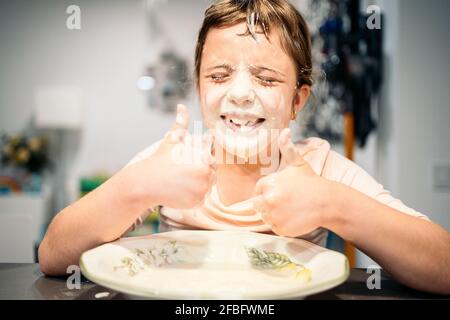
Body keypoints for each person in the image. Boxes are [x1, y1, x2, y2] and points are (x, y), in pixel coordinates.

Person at [39, 0, 450, 294]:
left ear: (297, 100)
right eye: (218, 76)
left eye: (267, 79)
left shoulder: (318, 167)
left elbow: (443, 267)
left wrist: (332, 204)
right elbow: (53, 255)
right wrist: (138, 188)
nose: (239, 94)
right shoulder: (173, 160)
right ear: (200, 90)